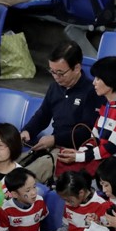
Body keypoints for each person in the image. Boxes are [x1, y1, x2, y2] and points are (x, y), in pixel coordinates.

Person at [20, 42, 103, 183]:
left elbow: (86, 132)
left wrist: (55, 139)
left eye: (60, 73)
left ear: (76, 68)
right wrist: (27, 131)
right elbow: (43, 115)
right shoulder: (55, 87)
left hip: (73, 151)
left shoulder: (92, 92)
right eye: (52, 72)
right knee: (9, 166)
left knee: (24, 179)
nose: (56, 77)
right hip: (52, 145)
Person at [56, 56, 116, 175]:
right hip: (105, 162)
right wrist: (80, 152)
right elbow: (95, 139)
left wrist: (79, 157)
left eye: (98, 79)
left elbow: (112, 147)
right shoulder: (106, 106)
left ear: (110, 81)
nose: (93, 83)